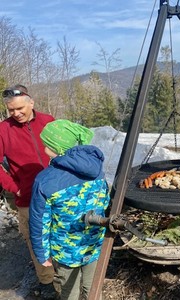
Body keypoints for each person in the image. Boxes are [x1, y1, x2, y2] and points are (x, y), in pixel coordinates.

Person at [29, 120, 111, 300]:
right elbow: (104, 201)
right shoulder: (97, 170)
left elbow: (39, 221)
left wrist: (42, 254)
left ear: (58, 148)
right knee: (93, 288)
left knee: (69, 291)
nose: (44, 149)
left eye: (47, 145)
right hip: (93, 243)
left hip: (65, 249)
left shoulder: (45, 180)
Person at [0, 84, 57, 299]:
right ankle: (47, 282)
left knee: (59, 234)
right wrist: (16, 188)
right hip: (27, 198)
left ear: (31, 103)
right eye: (11, 110)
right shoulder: (3, 129)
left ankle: (66, 274)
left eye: (19, 108)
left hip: (55, 193)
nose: (16, 114)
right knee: (37, 240)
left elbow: (65, 150)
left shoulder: (48, 121)